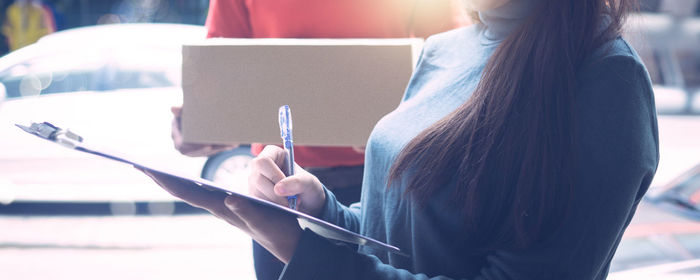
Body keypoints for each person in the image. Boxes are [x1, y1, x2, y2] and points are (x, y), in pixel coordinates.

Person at [147, 0, 659, 278]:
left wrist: (302, 248)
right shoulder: (446, 49)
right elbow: (393, 230)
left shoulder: (605, 82)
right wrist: (318, 208)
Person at [169, 1, 468, 279]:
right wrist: (197, 124)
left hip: (385, 182)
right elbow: (219, 74)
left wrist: (408, 125)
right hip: (278, 186)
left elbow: (456, 69)